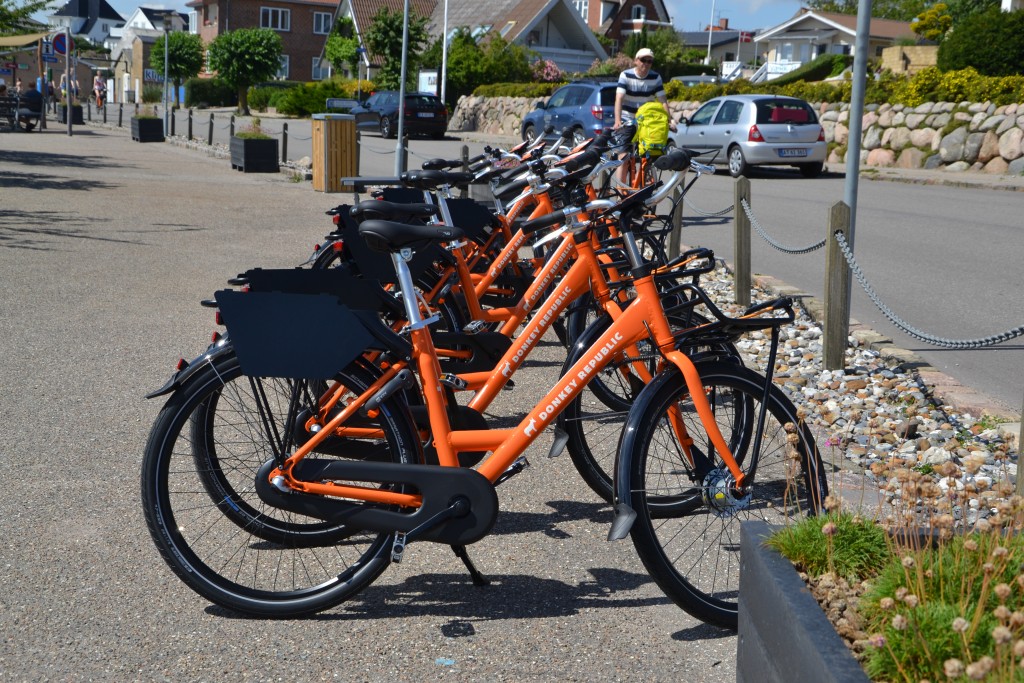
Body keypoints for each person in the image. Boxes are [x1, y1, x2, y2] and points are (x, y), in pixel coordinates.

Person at [612, 48, 677, 183]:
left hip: (647, 122)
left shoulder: (655, 77)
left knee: (650, 153)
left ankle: (645, 182)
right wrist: (617, 121)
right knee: (623, 156)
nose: (646, 64)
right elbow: (619, 99)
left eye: (649, 61)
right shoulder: (625, 75)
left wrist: (669, 121)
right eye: (643, 60)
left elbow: (663, 100)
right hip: (628, 119)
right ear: (636, 61)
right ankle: (620, 192)